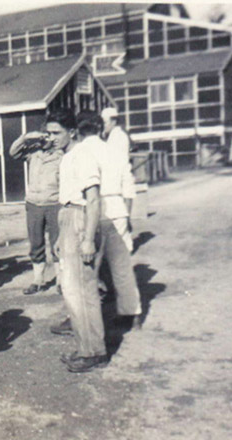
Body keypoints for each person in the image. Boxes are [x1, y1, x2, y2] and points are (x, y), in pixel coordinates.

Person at [56, 110, 109, 373]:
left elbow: (93, 200)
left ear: (72, 132)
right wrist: (60, 236)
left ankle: (93, 351)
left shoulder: (83, 156)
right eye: (49, 133)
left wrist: (88, 239)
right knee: (71, 290)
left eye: (56, 133)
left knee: (81, 290)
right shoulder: (67, 157)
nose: (51, 138)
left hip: (80, 220)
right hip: (68, 219)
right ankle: (85, 346)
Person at [99, 107, 142, 329]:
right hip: (116, 209)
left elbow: (128, 188)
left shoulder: (103, 149)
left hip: (104, 208)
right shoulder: (116, 153)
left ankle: (127, 313)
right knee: (121, 267)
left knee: (107, 266)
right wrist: (127, 213)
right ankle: (131, 312)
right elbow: (129, 188)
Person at [9, 125, 64, 295]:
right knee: (36, 243)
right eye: (44, 135)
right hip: (34, 204)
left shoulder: (61, 155)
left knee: (57, 243)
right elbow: (13, 153)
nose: (46, 139)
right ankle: (38, 281)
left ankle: (60, 281)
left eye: (50, 135)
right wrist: (26, 137)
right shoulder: (33, 153)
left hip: (54, 203)